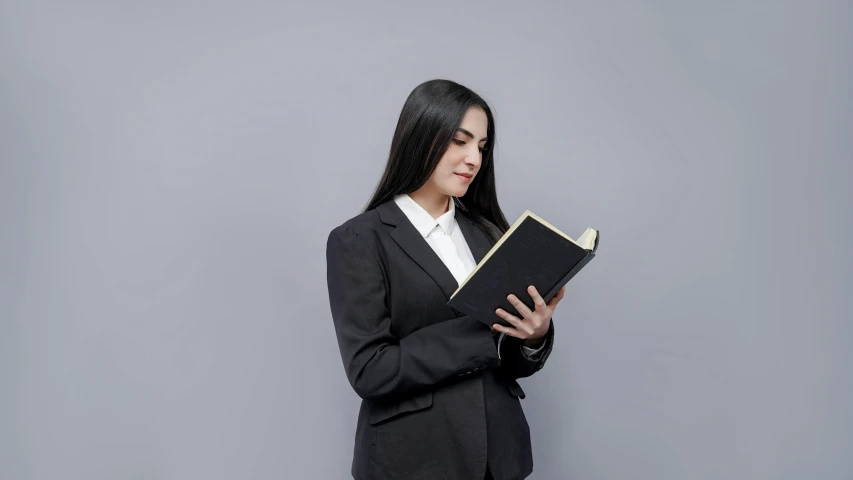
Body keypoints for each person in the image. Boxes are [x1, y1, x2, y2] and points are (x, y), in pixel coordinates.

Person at [325, 79, 567, 480]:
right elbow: (370, 369)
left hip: (501, 459)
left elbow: (510, 363)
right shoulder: (359, 240)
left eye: (482, 147)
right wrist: (485, 333)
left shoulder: (489, 233)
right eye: (460, 140)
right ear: (421, 136)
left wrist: (533, 336)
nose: (474, 158)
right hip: (415, 461)